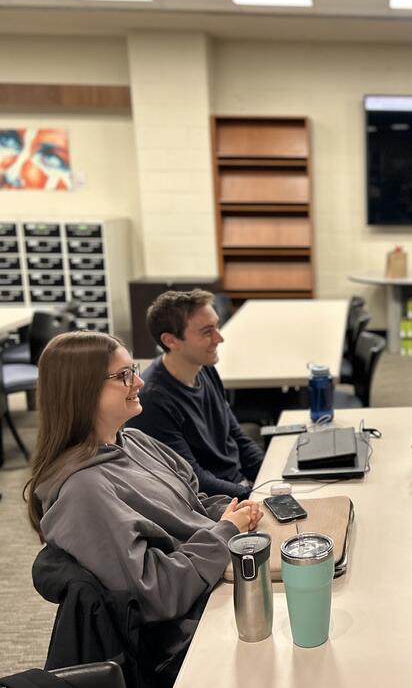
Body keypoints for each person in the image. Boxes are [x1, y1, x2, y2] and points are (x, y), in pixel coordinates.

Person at [25, 331, 262, 682]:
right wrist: (226, 531)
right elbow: (155, 592)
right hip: (185, 633)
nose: (138, 381)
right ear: (83, 390)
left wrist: (235, 511)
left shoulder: (133, 441)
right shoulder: (83, 493)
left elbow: (191, 501)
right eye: (122, 376)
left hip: (210, 578)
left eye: (132, 369)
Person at [126, 289, 264, 500]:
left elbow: (237, 437)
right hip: (214, 503)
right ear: (171, 341)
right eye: (207, 332)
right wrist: (254, 496)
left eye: (217, 326)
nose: (219, 338)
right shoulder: (153, 401)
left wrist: (271, 477)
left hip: (240, 487)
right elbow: (193, 479)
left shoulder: (203, 367)